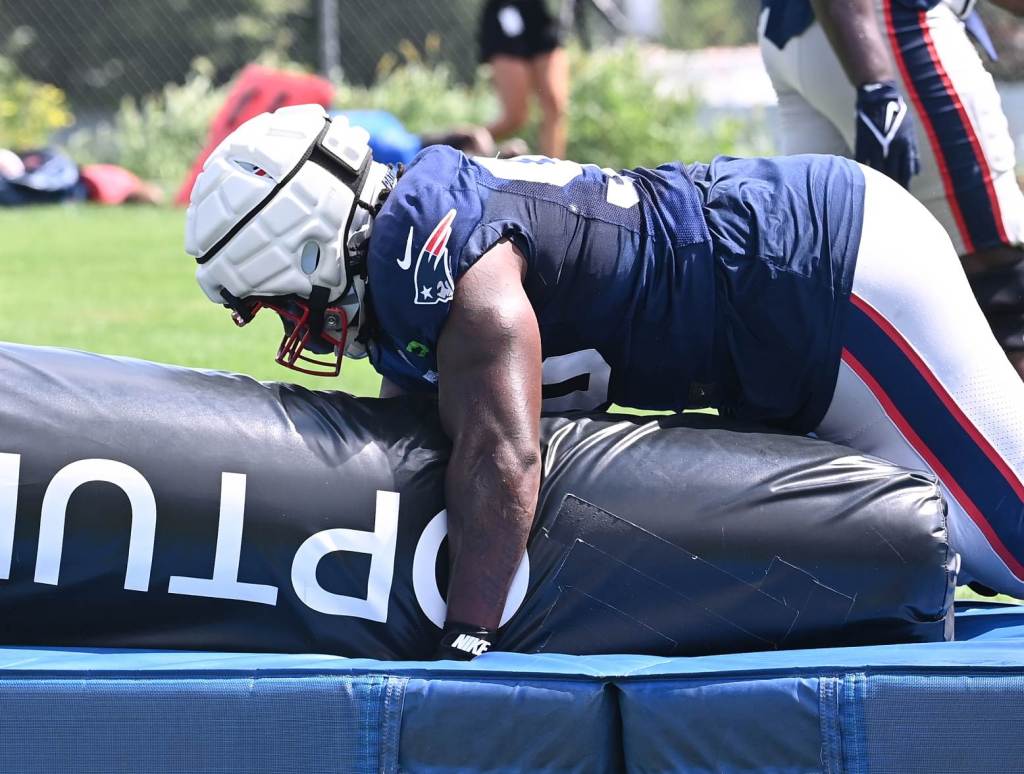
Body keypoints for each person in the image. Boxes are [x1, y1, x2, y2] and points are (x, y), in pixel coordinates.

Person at [184, 105, 1024, 658]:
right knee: (919, 547)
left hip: (828, 279)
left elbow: (505, 456)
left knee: (1011, 541)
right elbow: (420, 465)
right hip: (778, 334)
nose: (291, 329)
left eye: (277, 305)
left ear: (306, 244)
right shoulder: (410, 270)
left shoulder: (449, 261)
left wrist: (469, 640)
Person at [758, 0, 1024, 377]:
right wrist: (877, 86)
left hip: (794, 33)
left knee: (831, 291)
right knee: (995, 270)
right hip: (879, 30)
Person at [479, 0, 570, 158]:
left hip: (541, 19)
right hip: (506, 17)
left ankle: (553, 175)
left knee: (554, 106)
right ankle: (460, 145)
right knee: (515, 118)